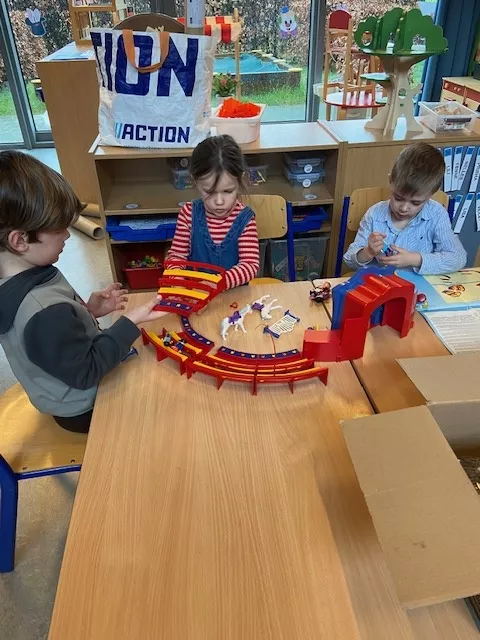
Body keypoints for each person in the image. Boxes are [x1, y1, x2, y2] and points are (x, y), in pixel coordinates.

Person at [0, 151, 167, 434]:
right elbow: (86, 371)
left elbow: (51, 341)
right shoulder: (43, 312)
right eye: (59, 229)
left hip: (61, 389)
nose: (68, 235)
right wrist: (129, 323)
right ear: (20, 240)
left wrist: (88, 312)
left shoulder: (21, 276)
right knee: (159, 398)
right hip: (84, 407)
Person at [343, 143, 467, 275]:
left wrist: (414, 259)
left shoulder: (436, 214)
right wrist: (368, 252)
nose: (403, 208)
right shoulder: (375, 214)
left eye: (415, 203)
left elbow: (458, 258)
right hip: (380, 283)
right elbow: (349, 261)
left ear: (432, 193)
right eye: (398, 198)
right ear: (391, 181)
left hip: (419, 285)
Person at [167, 135, 260, 288]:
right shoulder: (188, 214)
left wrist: (217, 283)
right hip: (195, 294)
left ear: (240, 180)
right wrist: (177, 279)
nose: (219, 201)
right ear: (195, 182)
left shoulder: (245, 219)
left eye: (228, 191)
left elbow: (250, 265)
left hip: (234, 295)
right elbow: (177, 257)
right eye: (210, 192)